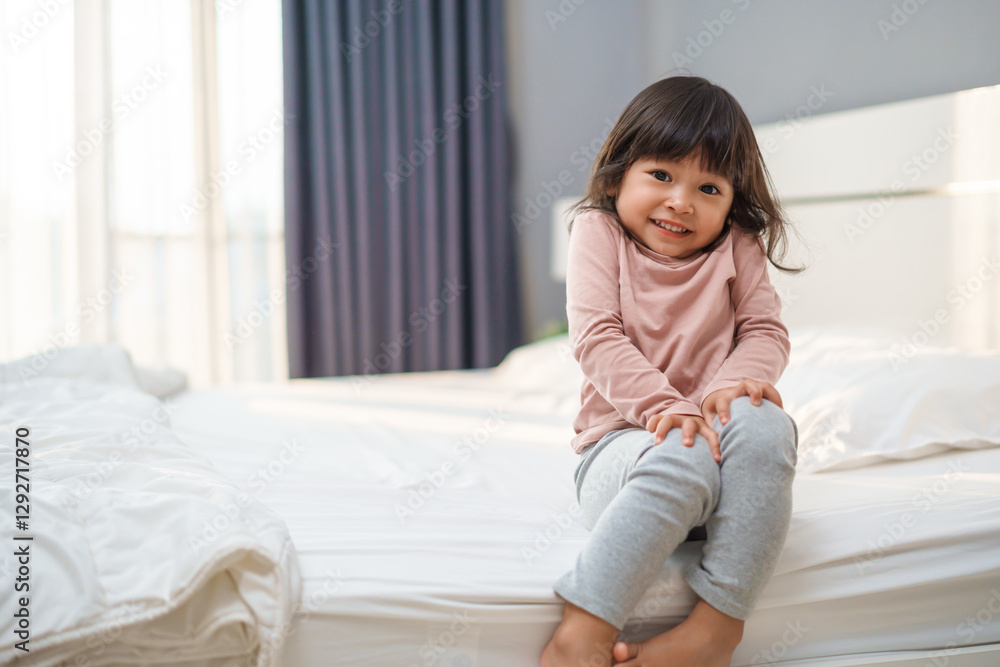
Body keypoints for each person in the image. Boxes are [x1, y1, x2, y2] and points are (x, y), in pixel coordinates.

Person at [540, 75, 804, 667]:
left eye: (708, 187)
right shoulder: (598, 230)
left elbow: (764, 332)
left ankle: (714, 631)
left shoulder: (738, 244)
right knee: (682, 452)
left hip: (725, 475)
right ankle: (580, 629)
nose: (682, 201)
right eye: (661, 175)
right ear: (619, 175)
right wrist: (669, 409)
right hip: (625, 451)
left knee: (766, 424)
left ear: (732, 202)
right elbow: (595, 337)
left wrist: (726, 392)